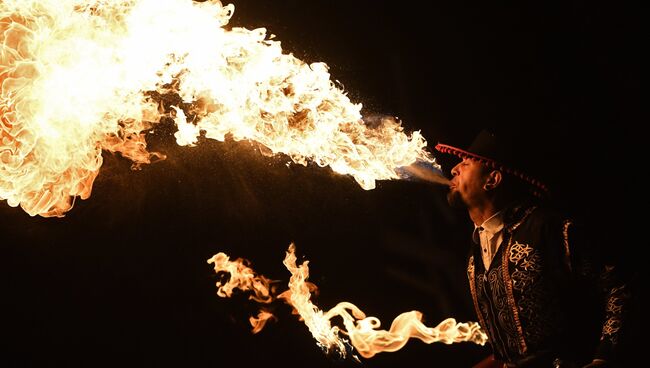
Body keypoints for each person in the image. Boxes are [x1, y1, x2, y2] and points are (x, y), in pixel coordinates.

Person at [433, 129, 631, 368]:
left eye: (465, 163)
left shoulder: (548, 228)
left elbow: (619, 286)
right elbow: (514, 350)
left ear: (492, 180)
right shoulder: (476, 249)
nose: (454, 169)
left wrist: (603, 358)